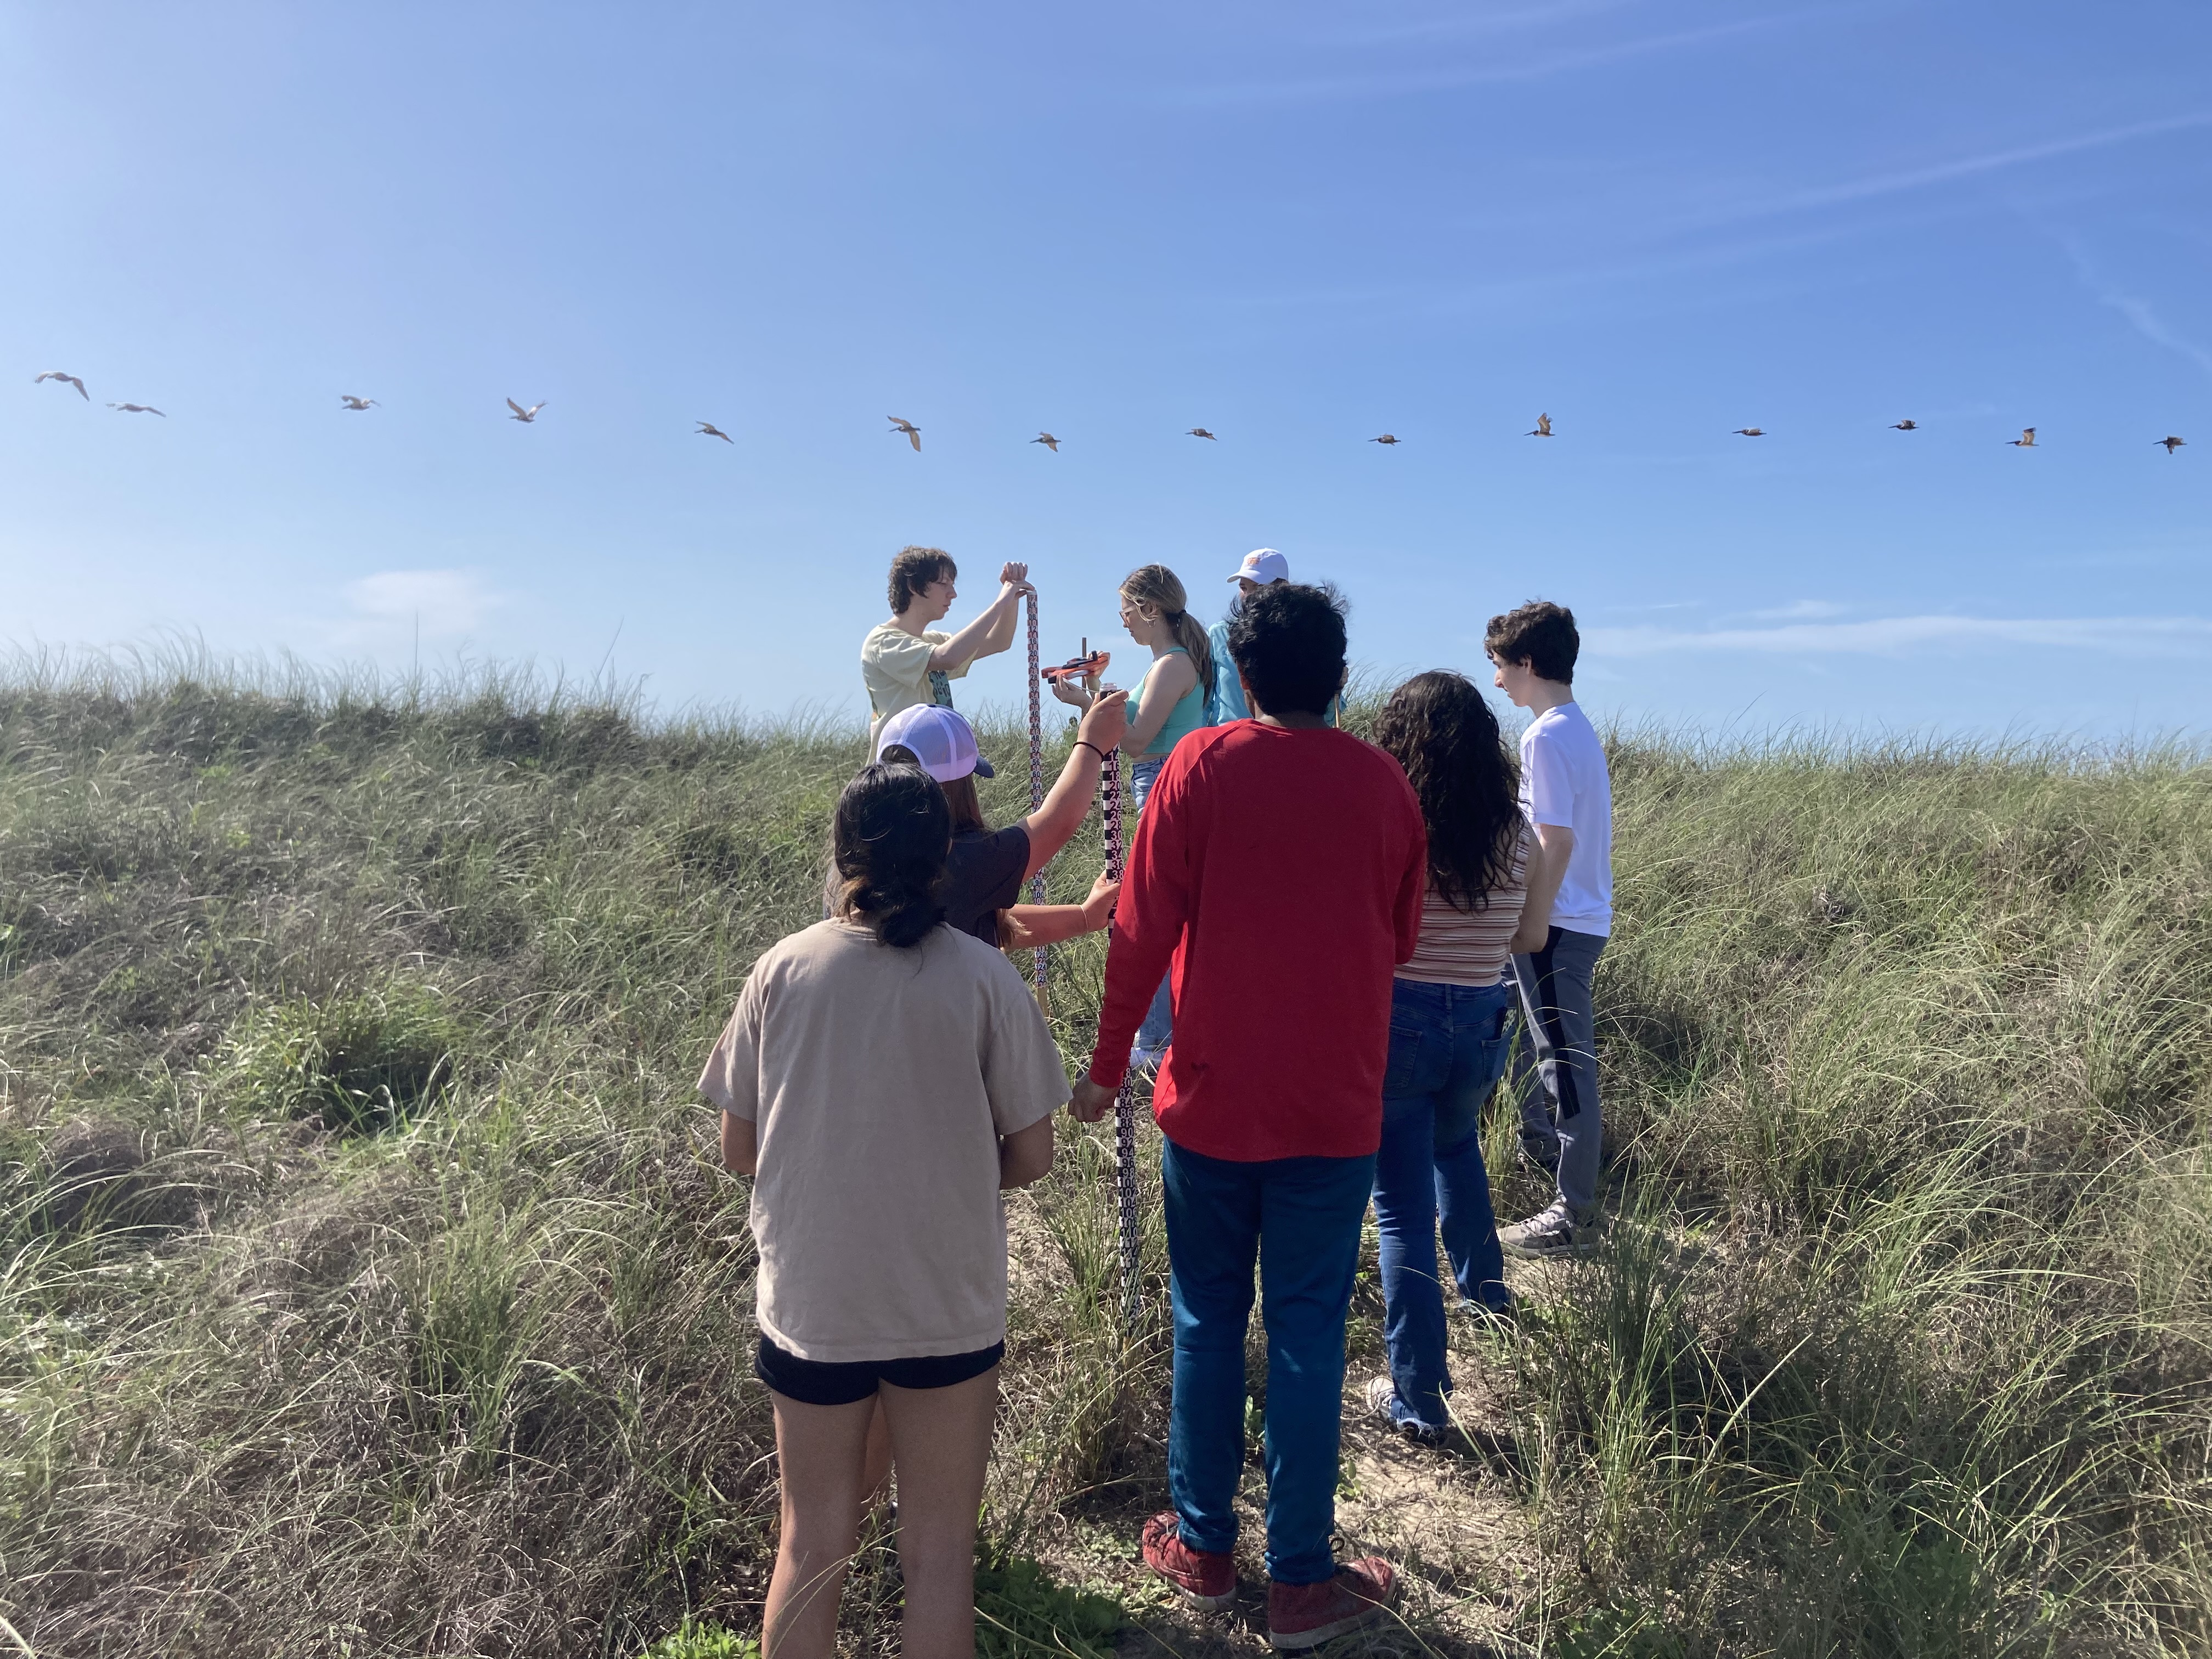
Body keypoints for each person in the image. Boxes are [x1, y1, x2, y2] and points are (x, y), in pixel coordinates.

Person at [1069, 583, 1425, 1652]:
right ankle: (1304, 1583)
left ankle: (1204, 1547)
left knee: (1206, 1319)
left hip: (1210, 1104)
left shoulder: (1197, 768)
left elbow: (1138, 930)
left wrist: (1102, 1067)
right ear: (1341, 676)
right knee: (1311, 1334)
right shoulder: (1382, 786)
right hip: (1335, 1106)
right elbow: (1402, 938)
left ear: (1243, 672)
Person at [700, 763, 1069, 1659]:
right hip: (946, 1302)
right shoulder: (984, 976)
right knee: (938, 1554)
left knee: (811, 1540)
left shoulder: (780, 969)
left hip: (814, 1306)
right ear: (945, 857)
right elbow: (1032, 1153)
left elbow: (738, 1149)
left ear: (841, 856)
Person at [1361, 672, 1555, 1445]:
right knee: (1458, 1149)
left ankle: (1419, 1398)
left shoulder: (1397, 826)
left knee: (1400, 1205)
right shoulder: (1519, 833)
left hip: (1400, 1018)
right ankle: (1487, 1297)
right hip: (1482, 1017)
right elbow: (1530, 940)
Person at [1487, 600, 1613, 1260]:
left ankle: (1576, 1215)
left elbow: (1554, 840)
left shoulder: (1545, 736)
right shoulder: (1573, 727)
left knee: (1564, 1063)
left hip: (1559, 923)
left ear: (1528, 663)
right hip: (1573, 918)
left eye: (1501, 666)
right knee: (1544, 1054)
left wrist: (1530, 920)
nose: (1498, 681)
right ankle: (1543, 1156)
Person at [1052, 563, 1213, 1070]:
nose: (1122, 620)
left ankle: (1156, 1039)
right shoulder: (1166, 663)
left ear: (1148, 608)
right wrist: (1093, 698)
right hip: (1159, 781)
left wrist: (1094, 702)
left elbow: (1139, 738)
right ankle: (1161, 1032)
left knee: (1151, 911)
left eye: (1125, 609)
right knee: (1157, 908)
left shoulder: (1171, 665)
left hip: (1162, 783)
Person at [873, 698, 1129, 949]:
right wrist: (1091, 743)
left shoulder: (863, 862)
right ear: (959, 787)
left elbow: (992, 923)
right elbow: (1055, 824)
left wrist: (1084, 917)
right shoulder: (962, 859)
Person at [861, 546, 1033, 743]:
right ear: (913, 586)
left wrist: (1011, 596)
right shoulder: (882, 641)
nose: (953, 594)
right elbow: (948, 658)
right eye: (944, 584)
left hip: (932, 765)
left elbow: (999, 642)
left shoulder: (933, 642)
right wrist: (1001, 602)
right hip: (898, 770)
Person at [1206, 549, 1340, 728]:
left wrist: (1338, 688)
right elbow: (1205, 699)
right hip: (1228, 746)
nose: (1248, 596)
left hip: (1283, 742)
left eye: (1258, 587)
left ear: (1283, 587)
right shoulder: (1218, 634)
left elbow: (1325, 716)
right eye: (1243, 587)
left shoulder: (1301, 637)